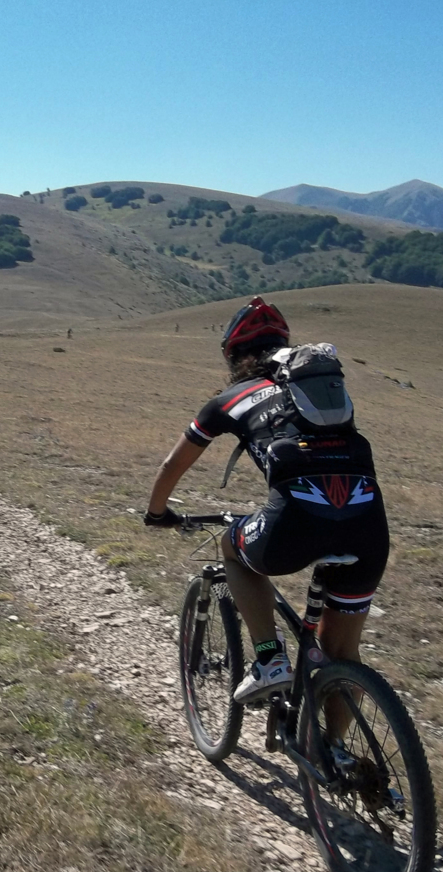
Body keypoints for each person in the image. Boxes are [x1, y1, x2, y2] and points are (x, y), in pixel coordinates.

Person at [142, 296, 389, 710]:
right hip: (368, 525)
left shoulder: (230, 399)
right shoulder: (318, 393)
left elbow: (172, 464)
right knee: (341, 655)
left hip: (296, 523)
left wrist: (157, 513)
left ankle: (271, 661)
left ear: (233, 354)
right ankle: (338, 762)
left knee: (231, 550)